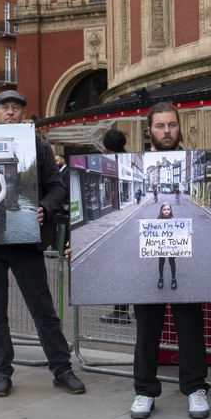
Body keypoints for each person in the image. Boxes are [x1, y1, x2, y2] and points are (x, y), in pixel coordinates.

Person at [0, 90, 85, 397]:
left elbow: (57, 188)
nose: (10, 112)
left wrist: (45, 209)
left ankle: (61, 368)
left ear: (23, 114)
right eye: (4, 108)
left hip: (26, 242)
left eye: (16, 108)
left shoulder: (38, 147)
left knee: (43, 310)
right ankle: (1, 371)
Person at [131, 102, 210, 419]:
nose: (167, 131)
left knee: (190, 325)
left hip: (181, 247)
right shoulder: (137, 165)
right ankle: (144, 390)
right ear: (149, 130)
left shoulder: (192, 164)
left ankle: (195, 388)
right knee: (146, 328)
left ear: (180, 127)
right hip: (148, 251)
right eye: (161, 126)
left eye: (172, 125)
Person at [99, 128, 132, 325]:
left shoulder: (111, 163)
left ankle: (120, 312)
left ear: (107, 148)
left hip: (120, 228)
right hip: (129, 227)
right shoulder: (126, 159)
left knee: (122, 271)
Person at [155, 202, 179, 290]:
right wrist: (142, 232)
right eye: (164, 209)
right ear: (161, 211)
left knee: (172, 261)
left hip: (171, 245)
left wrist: (189, 232)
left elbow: (180, 232)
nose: (166, 211)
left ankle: (173, 279)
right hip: (161, 245)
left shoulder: (174, 220)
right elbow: (150, 231)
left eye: (168, 209)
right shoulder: (157, 220)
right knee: (161, 261)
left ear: (170, 210)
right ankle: (161, 278)